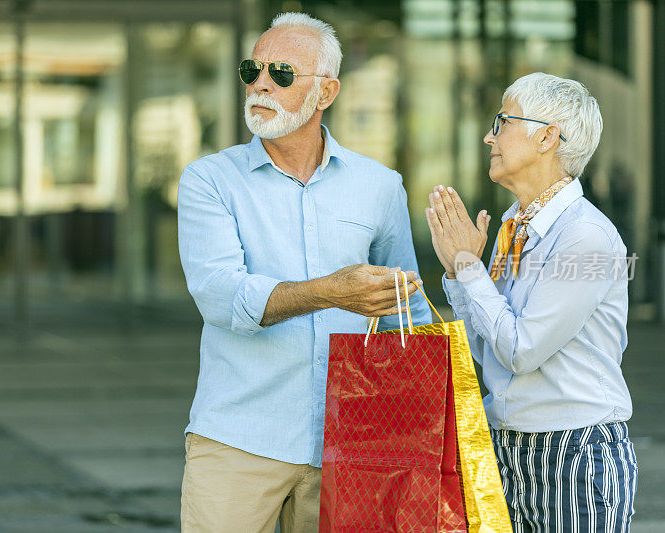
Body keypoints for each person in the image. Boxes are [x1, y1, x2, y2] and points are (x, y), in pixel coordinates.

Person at [177, 12, 431, 532]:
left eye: (282, 73)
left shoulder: (380, 186)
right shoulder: (210, 181)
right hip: (238, 441)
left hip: (353, 446)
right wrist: (333, 292)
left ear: (327, 91)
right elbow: (221, 296)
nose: (260, 84)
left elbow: (408, 312)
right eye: (252, 70)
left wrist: (422, 431)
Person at [425, 72, 637, 531]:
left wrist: (468, 267)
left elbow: (521, 350)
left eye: (502, 121)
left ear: (547, 137)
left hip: (574, 451)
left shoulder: (585, 236)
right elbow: (490, 350)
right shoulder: (513, 225)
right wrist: (459, 276)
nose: (489, 136)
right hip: (506, 446)